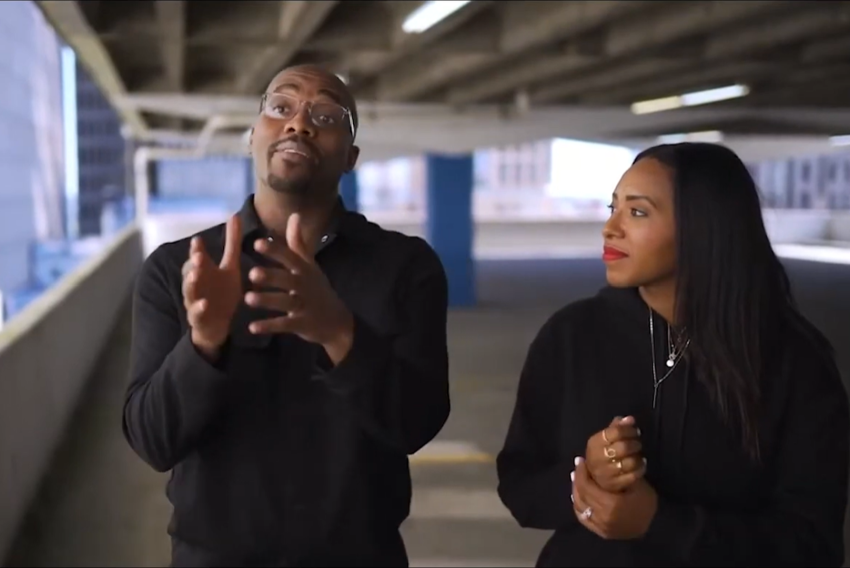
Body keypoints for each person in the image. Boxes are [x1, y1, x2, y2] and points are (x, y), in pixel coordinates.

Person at [123, 64, 450, 567]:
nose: (299, 123)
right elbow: (153, 440)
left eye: (326, 115)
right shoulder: (180, 268)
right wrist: (205, 343)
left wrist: (339, 332)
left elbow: (418, 423)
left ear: (351, 157)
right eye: (281, 107)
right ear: (253, 135)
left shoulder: (405, 267)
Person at [496, 142, 849, 566]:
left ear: (704, 228)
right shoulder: (571, 335)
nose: (611, 228)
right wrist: (584, 479)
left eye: (638, 212)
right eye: (613, 208)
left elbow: (813, 545)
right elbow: (520, 487)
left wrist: (658, 524)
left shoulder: (796, 363)